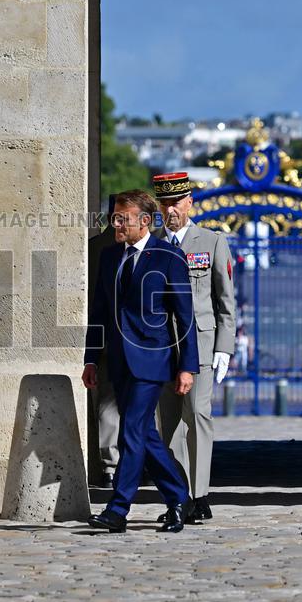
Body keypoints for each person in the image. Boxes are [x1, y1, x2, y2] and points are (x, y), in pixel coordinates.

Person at [83, 190, 200, 534]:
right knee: (145, 435)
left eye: (123, 219)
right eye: (114, 218)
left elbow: (185, 317)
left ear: (145, 221)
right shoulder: (108, 257)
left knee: (131, 431)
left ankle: (118, 509)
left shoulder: (169, 257)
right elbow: (99, 312)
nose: (115, 224)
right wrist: (91, 359)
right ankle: (179, 499)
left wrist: (187, 366)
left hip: (153, 360)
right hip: (118, 361)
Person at [152, 171, 236, 521]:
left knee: (198, 413)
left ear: (190, 202)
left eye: (177, 202)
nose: (172, 210)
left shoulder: (212, 242)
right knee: (167, 424)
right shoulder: (151, 244)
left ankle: (200, 494)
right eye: (165, 203)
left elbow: (225, 300)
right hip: (160, 347)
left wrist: (224, 347)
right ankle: (180, 494)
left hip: (199, 343)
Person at [86, 195, 119, 488]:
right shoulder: (141, 247)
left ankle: (109, 465)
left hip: (104, 335)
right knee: (143, 405)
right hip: (139, 341)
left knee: (108, 405)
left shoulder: (93, 247)